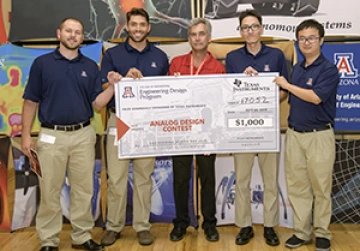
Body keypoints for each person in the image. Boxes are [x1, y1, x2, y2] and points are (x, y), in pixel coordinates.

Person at [22, 18, 117, 251]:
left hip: (83, 135)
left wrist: (114, 87)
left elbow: (97, 104)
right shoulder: (41, 64)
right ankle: (48, 240)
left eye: (77, 32)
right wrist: (25, 135)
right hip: (50, 136)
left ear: (82, 38)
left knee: (84, 189)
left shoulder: (90, 66)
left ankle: (81, 236)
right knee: (49, 190)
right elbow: (30, 101)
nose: (73, 35)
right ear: (59, 33)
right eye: (68, 31)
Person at [99, 8, 169, 247]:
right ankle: (114, 226)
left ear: (148, 28)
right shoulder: (112, 54)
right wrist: (124, 79)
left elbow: (166, 95)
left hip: (148, 124)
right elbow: (102, 92)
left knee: (143, 177)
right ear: (127, 27)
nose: (138, 29)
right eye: (134, 24)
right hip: (118, 121)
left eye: (142, 25)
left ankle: (142, 226)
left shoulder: (160, 57)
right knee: (116, 178)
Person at [225, 9, 288, 246]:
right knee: (241, 180)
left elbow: (284, 90)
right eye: (245, 27)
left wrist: (263, 92)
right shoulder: (232, 58)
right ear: (241, 31)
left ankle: (270, 226)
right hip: (241, 128)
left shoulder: (277, 55)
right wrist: (243, 82)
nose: (250, 31)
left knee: (270, 180)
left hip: (268, 127)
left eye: (254, 26)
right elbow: (228, 91)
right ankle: (245, 226)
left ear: (261, 28)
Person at [274, 19, 339, 251]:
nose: (306, 42)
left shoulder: (329, 69)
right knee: (298, 187)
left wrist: (288, 85)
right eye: (302, 38)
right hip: (294, 135)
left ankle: (322, 232)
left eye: (311, 38)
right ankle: (302, 232)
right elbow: (283, 94)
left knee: (321, 188)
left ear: (321, 40)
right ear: (297, 41)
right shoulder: (298, 69)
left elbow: (316, 97)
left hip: (318, 136)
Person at [168, 18, 225, 242]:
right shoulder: (176, 63)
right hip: (181, 131)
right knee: (181, 179)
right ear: (188, 38)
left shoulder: (218, 68)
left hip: (206, 133)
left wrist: (214, 135)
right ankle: (181, 223)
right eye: (193, 34)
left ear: (209, 38)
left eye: (202, 34)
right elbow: (168, 98)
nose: (198, 38)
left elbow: (221, 105)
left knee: (207, 179)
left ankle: (209, 223)